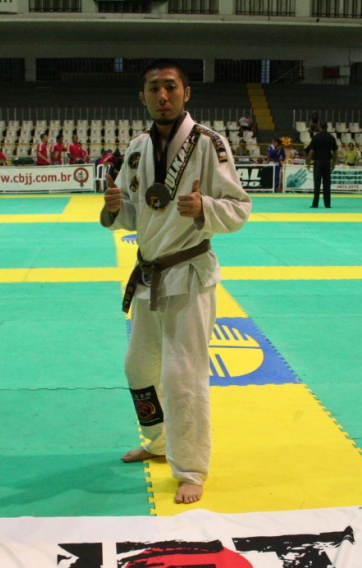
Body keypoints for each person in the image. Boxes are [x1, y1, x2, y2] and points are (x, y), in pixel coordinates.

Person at [100, 59, 251, 505]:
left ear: (186, 93)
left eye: (170, 87)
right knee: (138, 368)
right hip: (149, 274)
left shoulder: (210, 144)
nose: (162, 96)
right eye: (153, 88)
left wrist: (206, 208)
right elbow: (137, 212)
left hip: (188, 273)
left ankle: (190, 468)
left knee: (183, 374)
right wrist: (115, 207)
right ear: (142, 96)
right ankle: (158, 440)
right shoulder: (136, 147)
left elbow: (239, 208)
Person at [304, 122, 337, 208]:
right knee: (327, 183)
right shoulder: (331, 137)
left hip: (318, 162)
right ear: (327, 127)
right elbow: (335, 151)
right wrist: (333, 162)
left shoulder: (316, 137)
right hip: (327, 162)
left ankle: (315, 203)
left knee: (317, 183)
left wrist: (308, 162)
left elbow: (311, 151)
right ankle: (327, 204)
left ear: (320, 127)